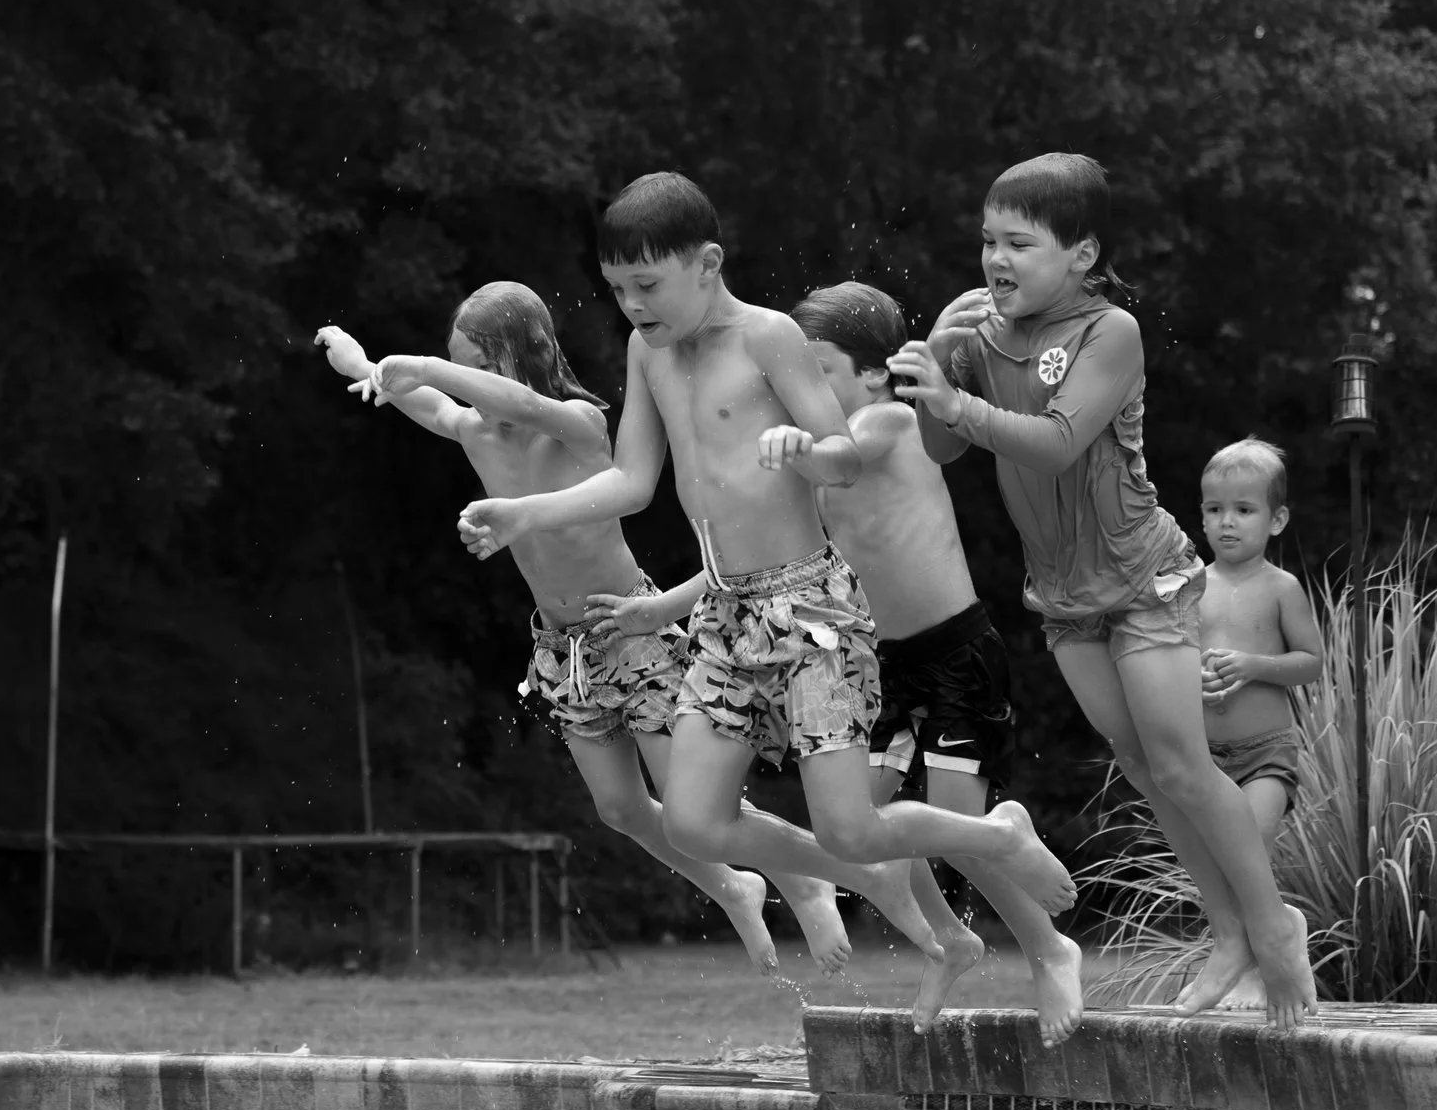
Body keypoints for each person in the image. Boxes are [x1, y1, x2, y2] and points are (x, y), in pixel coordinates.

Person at [456, 174, 1077, 931]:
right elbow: (631, 481)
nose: (634, 305)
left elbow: (844, 455)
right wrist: (523, 512)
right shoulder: (647, 352)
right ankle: (851, 881)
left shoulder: (768, 337)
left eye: (648, 285)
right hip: (726, 609)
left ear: (708, 264)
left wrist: (805, 450)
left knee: (851, 827)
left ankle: (998, 835)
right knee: (691, 822)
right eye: (618, 289)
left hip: (810, 607)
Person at [313, 284, 879, 974]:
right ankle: (735, 888)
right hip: (563, 650)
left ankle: (806, 880)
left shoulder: (576, 423)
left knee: (694, 804)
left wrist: (428, 368)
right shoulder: (474, 431)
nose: (470, 384)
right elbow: (427, 401)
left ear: (527, 356)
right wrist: (365, 365)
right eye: (461, 367)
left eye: (483, 367)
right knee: (620, 809)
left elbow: (521, 404)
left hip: (632, 630)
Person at [889, 152, 1316, 1028]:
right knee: (1147, 769)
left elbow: (1056, 442)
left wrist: (954, 401)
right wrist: (939, 365)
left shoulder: (1109, 332)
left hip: (1144, 577)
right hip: (1063, 594)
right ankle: (1229, 932)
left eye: (1019, 243)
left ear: (1081, 254)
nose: (996, 259)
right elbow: (942, 450)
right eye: (988, 240)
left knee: (1182, 763)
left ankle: (1276, 928)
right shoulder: (979, 333)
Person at [789, 281, 1085, 1044]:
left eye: (818, 370)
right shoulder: (819, 452)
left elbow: (842, 458)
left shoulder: (884, 422)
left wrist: (787, 447)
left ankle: (1049, 948)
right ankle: (951, 939)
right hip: (882, 664)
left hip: (956, 651)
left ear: (873, 374)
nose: (801, 388)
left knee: (955, 829)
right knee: (864, 828)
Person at [1196, 437, 1325, 1008]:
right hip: (1204, 756)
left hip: (1266, 751)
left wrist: (1252, 666)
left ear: (1276, 520)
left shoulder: (1280, 588)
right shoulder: (1190, 587)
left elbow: (1311, 662)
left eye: (1244, 510)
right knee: (1222, 863)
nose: (1227, 522)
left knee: (1247, 848)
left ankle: (1259, 961)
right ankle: (1259, 939)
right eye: (1214, 509)